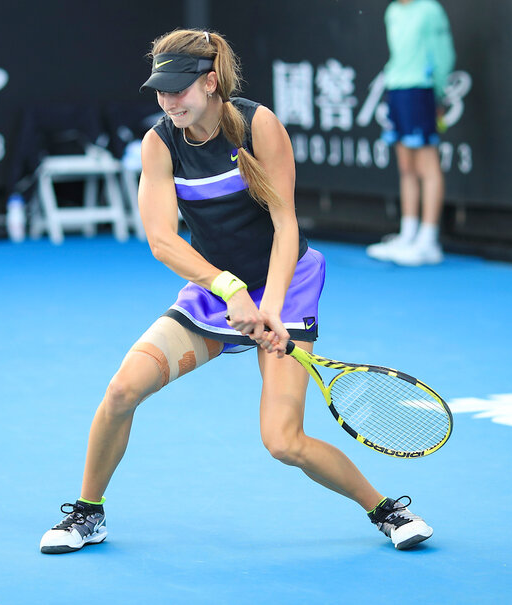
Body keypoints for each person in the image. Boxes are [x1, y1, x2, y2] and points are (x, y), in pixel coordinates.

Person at [40, 29, 433, 554]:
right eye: (161, 89)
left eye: (179, 88)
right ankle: (88, 514)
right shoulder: (159, 143)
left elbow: (286, 223)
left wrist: (268, 305)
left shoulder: (258, 125)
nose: (169, 100)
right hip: (214, 291)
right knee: (121, 392)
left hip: (286, 286)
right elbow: (161, 240)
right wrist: (229, 290)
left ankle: (386, 511)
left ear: (210, 81)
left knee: (283, 442)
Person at [367, 0, 456, 266]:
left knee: (426, 164)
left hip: (422, 89)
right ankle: (408, 234)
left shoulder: (430, 10)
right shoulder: (392, 11)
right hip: (396, 88)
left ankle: (428, 240)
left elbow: (444, 55)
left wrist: (437, 92)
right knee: (406, 165)